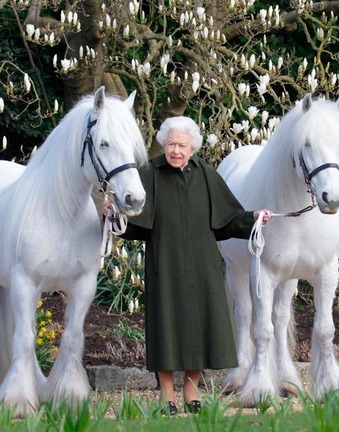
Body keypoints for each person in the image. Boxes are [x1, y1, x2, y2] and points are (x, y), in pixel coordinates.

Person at [107, 116, 271, 416]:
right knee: (166, 328)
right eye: (170, 144)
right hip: (164, 266)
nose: (176, 151)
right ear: (163, 144)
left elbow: (228, 220)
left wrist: (254, 218)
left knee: (200, 328)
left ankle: (191, 389)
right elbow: (134, 224)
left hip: (202, 266)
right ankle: (167, 395)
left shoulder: (206, 175)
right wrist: (113, 215)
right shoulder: (150, 174)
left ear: (193, 147)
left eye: (182, 145)